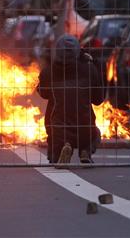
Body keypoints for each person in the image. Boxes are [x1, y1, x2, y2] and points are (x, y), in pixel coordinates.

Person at [36, 35, 103, 165]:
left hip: (58, 130)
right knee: (96, 133)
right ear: (78, 51)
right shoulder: (89, 69)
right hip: (85, 128)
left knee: (54, 106)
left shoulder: (49, 71)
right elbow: (98, 100)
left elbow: (43, 94)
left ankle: (59, 150)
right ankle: (85, 150)